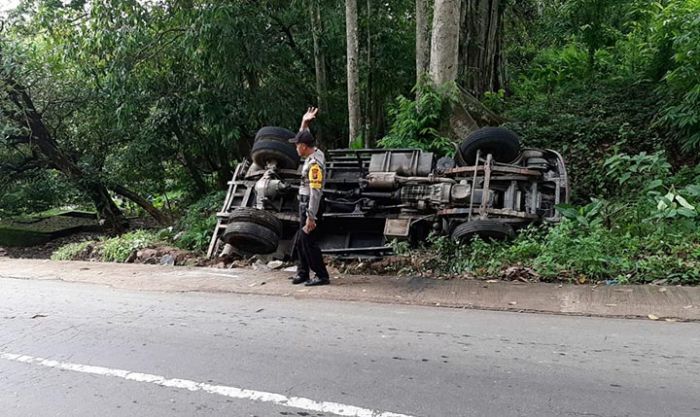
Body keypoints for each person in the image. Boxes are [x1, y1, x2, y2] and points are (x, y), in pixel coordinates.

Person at [289, 107, 330, 286]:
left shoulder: (314, 164)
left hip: (310, 206)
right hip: (305, 204)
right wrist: (305, 123)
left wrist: (311, 216)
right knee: (300, 239)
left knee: (308, 241)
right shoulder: (315, 152)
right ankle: (303, 272)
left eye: (297, 145)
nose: (295, 147)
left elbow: (315, 192)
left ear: (303, 147)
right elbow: (305, 137)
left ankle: (321, 275)